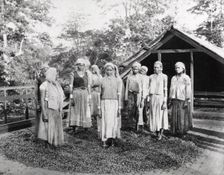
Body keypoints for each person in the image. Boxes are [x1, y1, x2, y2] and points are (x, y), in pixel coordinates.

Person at [38, 67, 65, 147]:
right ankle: (48, 143)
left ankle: (55, 142)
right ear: (51, 74)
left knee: (56, 125)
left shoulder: (57, 85)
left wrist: (61, 109)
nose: (57, 75)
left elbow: (60, 97)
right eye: (56, 73)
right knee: (48, 125)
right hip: (48, 107)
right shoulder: (44, 85)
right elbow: (42, 100)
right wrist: (43, 112)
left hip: (56, 107)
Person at [100, 63, 122, 148]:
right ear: (105, 70)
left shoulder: (118, 80)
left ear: (114, 70)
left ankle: (112, 140)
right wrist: (99, 107)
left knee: (113, 121)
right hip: (105, 102)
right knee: (105, 121)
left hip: (114, 102)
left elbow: (119, 95)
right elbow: (100, 94)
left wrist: (119, 108)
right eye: (107, 70)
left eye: (111, 70)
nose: (109, 71)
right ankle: (104, 141)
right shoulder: (102, 80)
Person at [68, 58, 92, 132]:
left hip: (85, 93)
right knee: (75, 109)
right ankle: (74, 127)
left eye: (82, 65)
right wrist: (71, 97)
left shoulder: (87, 74)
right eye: (79, 65)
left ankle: (85, 127)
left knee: (85, 109)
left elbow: (88, 86)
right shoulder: (73, 73)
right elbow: (71, 86)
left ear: (84, 66)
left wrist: (89, 96)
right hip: (76, 92)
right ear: (77, 65)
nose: (81, 66)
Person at [169, 62, 192, 136]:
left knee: (182, 116)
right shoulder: (173, 78)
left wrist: (187, 99)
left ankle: (182, 132)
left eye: (178, 67)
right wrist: (170, 98)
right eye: (176, 68)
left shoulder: (186, 78)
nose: (177, 69)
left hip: (182, 99)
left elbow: (188, 89)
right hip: (175, 99)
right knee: (174, 116)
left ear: (183, 68)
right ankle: (174, 131)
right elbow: (171, 89)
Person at [148, 61, 168, 140]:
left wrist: (165, 101)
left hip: (161, 97)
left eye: (157, 67)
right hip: (153, 97)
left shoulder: (164, 76)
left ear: (161, 68)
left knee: (161, 115)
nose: (156, 68)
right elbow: (149, 87)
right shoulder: (151, 77)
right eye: (155, 67)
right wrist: (149, 99)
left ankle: (161, 132)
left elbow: (165, 89)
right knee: (154, 114)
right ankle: (156, 132)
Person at [125, 61, 143, 131]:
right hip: (130, 94)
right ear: (132, 69)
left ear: (139, 69)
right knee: (130, 109)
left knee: (137, 109)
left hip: (138, 94)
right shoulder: (129, 77)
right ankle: (130, 125)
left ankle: (137, 125)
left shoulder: (141, 77)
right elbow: (127, 87)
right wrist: (126, 97)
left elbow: (143, 88)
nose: (135, 70)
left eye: (137, 69)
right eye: (134, 69)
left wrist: (142, 98)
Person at [35, 63, 49, 138]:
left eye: (47, 69)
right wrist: (37, 103)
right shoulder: (39, 79)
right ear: (42, 70)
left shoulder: (50, 79)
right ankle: (40, 135)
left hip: (49, 101)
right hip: (41, 101)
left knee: (47, 118)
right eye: (44, 69)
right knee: (41, 118)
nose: (46, 70)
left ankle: (48, 134)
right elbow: (36, 93)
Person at [91, 64, 102, 138]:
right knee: (93, 105)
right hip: (93, 92)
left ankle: (97, 116)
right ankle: (93, 118)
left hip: (99, 92)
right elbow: (90, 84)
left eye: (94, 69)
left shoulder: (100, 76)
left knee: (98, 105)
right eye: (92, 69)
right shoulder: (91, 76)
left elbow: (101, 84)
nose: (93, 70)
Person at [139, 66, 150, 131]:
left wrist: (148, 97)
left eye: (143, 70)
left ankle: (146, 122)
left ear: (146, 71)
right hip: (139, 95)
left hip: (146, 95)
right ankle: (140, 123)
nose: (141, 71)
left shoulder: (148, 78)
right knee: (140, 109)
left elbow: (148, 87)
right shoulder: (139, 77)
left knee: (146, 110)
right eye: (141, 70)